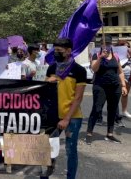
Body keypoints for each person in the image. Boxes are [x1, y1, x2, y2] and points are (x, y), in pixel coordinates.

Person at [46, 38, 86, 179]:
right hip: (52, 116)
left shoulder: (79, 70)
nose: (56, 53)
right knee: (48, 149)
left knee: (70, 151)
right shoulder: (51, 68)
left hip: (72, 118)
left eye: (59, 51)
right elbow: (44, 92)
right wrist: (47, 82)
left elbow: (78, 97)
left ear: (69, 51)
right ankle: (45, 175)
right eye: (54, 50)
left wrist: (66, 118)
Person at [86, 35, 127, 144]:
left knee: (112, 110)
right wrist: (100, 58)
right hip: (100, 86)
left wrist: (123, 85)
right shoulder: (96, 55)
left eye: (109, 44)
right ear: (101, 45)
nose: (107, 46)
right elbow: (94, 69)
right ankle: (89, 132)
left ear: (111, 45)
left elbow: (120, 71)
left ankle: (110, 133)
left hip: (115, 87)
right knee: (97, 109)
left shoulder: (116, 56)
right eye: (105, 44)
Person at [119, 42, 131, 119]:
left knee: (125, 94)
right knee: (117, 94)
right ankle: (115, 112)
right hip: (120, 76)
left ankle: (124, 111)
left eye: (128, 46)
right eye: (124, 47)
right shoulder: (117, 55)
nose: (127, 48)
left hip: (129, 76)